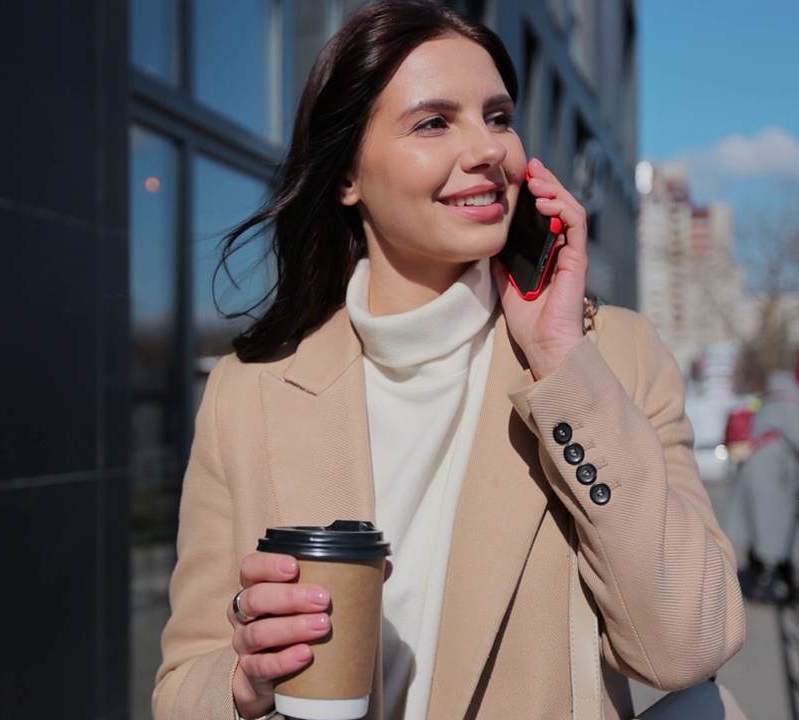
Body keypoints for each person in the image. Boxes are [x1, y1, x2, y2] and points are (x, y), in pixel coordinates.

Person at [153, 3, 745, 718]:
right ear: (346, 177)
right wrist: (244, 684)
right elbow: (184, 685)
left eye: (498, 116)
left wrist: (559, 358)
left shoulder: (610, 357)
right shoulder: (247, 394)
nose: (490, 149)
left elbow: (689, 644)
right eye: (435, 122)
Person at [728, 359, 799, 604]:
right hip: (772, 478)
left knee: (765, 532)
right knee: (775, 532)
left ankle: (772, 584)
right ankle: (770, 587)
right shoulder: (792, 402)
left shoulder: (779, 394)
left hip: (761, 471)